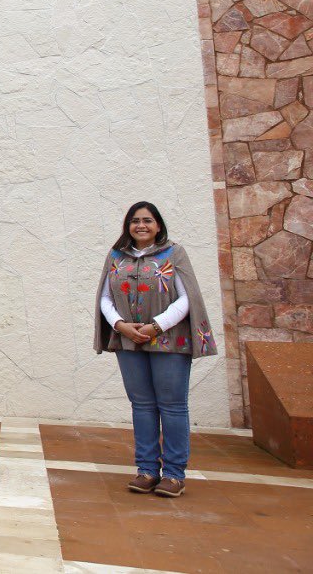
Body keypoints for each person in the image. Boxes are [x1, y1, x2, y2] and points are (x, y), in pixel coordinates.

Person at [93, 202, 217, 498]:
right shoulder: (116, 257)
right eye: (135, 221)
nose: (141, 225)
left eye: (148, 220)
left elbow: (187, 298)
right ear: (128, 226)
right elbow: (105, 297)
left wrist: (157, 326)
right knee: (142, 405)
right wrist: (120, 325)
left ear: (158, 225)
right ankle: (147, 470)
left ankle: (174, 475)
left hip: (169, 341)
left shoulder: (174, 253)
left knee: (172, 405)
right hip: (128, 340)